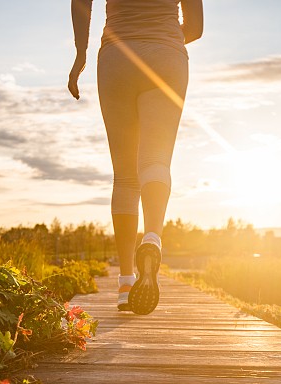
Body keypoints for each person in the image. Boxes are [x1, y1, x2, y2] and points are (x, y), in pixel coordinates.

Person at [68, 0, 203, 315]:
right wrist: (162, 39)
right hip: (167, 56)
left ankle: (127, 281)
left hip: (118, 57)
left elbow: (80, 2)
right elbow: (195, 28)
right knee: (156, 161)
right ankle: (153, 237)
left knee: (125, 175)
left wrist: (80, 55)